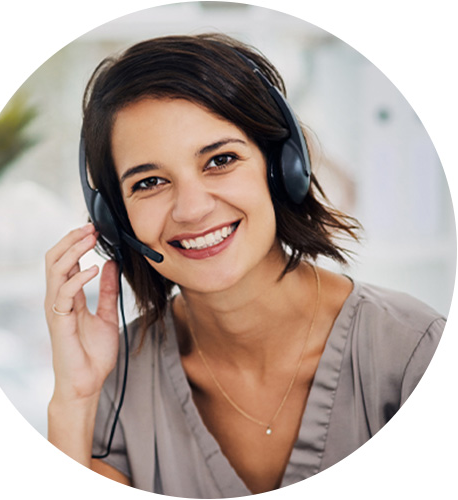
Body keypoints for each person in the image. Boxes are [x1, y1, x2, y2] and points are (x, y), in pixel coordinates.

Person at [44, 34, 445, 497]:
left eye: (221, 160)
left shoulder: (413, 352)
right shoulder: (113, 385)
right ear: (114, 219)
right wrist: (72, 400)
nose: (192, 209)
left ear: (282, 168)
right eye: (150, 182)